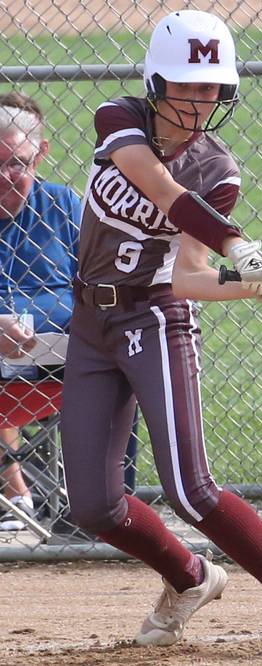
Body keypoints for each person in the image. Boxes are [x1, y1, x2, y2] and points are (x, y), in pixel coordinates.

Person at [59, 10, 262, 654]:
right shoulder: (117, 119)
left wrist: (255, 283)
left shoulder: (218, 170)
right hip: (91, 323)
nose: (198, 101)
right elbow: (158, 187)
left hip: (155, 318)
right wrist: (242, 246)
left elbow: (186, 277)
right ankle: (190, 578)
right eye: (185, 86)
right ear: (155, 83)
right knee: (93, 508)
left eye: (210, 89)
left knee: (190, 488)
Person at [0, 92, 81, 531]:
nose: (7, 177)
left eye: (18, 164)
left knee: (125, 357)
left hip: (63, 368)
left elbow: (100, 283)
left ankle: (99, 508)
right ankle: (17, 498)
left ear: (37, 159)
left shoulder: (63, 205)